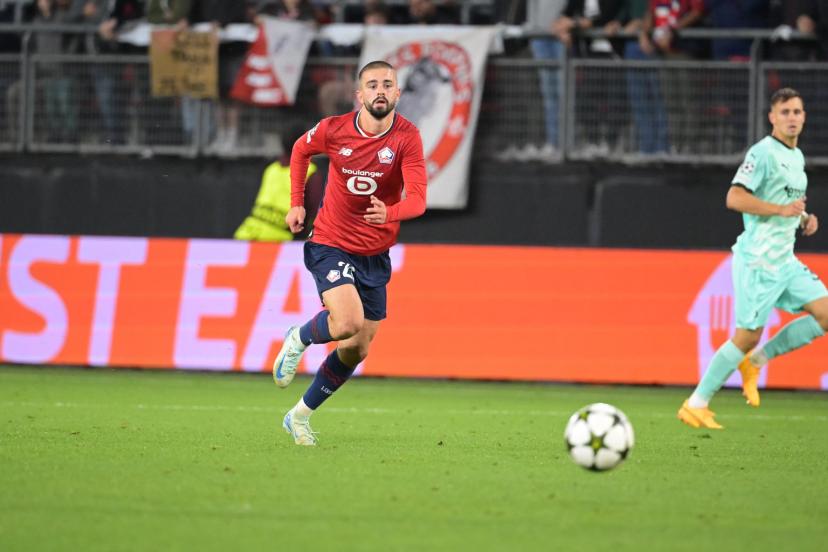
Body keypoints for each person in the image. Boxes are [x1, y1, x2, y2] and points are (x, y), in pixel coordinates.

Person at [273, 60, 427, 446]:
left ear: (397, 93)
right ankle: (300, 336)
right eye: (372, 85)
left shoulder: (407, 137)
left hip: (375, 254)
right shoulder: (334, 129)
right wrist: (296, 203)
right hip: (331, 242)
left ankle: (299, 416)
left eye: (387, 84)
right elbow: (300, 150)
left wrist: (389, 213)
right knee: (346, 322)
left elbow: (418, 200)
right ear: (359, 95)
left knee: (356, 349)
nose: (380, 91)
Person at [678, 88, 828, 430]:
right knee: (746, 336)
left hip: (785, 262)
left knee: (826, 314)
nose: (792, 117)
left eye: (797, 111)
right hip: (759, 263)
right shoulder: (762, 153)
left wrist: (803, 219)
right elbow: (734, 197)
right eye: (785, 112)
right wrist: (780, 210)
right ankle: (696, 403)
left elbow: (786, 203)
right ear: (772, 117)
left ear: (804, 117)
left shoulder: (796, 157)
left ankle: (756, 362)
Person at [234, 125, 323, 242]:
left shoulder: (271, 169)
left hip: (246, 235)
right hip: (279, 241)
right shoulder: (310, 172)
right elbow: (316, 214)